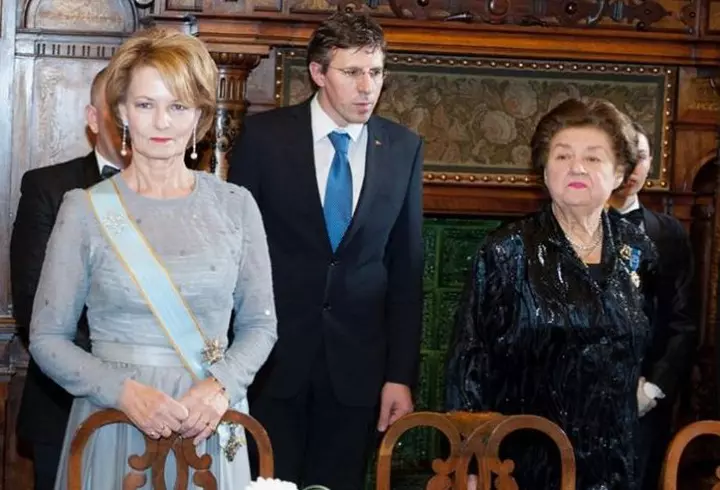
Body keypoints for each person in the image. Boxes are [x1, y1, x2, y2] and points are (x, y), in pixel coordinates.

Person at [28, 27, 277, 490]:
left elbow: (261, 327)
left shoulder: (236, 205)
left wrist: (221, 385)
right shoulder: (84, 210)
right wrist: (120, 391)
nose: (162, 122)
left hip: (209, 421)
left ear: (200, 114)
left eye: (178, 106)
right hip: (115, 421)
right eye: (146, 105)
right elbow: (47, 338)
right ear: (122, 111)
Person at [228, 12, 424, 490]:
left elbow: (406, 270)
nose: (367, 87)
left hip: (358, 374)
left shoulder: (403, 148)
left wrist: (399, 376)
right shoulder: (264, 138)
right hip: (271, 366)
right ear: (318, 73)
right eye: (352, 72)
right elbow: (234, 254)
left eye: (375, 72)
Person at [446, 98, 658, 490]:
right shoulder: (506, 250)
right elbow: (470, 360)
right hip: (522, 464)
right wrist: (470, 466)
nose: (576, 167)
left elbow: (648, 346)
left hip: (615, 463)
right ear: (544, 171)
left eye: (593, 157)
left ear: (619, 173)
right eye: (562, 156)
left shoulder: (638, 250)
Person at [11, 67, 125, 490]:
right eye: (119, 109)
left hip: (163, 406)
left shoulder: (187, 196)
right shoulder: (48, 187)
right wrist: (118, 374)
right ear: (93, 119)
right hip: (65, 405)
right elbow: (33, 305)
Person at [608, 122, 696, 490]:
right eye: (623, 157)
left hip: (644, 398)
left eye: (640, 157)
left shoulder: (669, 233)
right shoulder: (566, 228)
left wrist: (654, 389)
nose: (632, 168)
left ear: (651, 163)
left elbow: (683, 321)